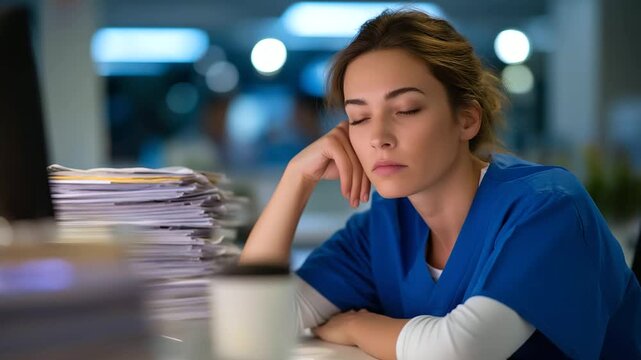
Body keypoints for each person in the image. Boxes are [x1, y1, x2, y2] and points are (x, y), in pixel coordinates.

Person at [239, 9, 641, 359]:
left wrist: (356, 326)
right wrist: (297, 178)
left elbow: (459, 350)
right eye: (358, 117)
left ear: (467, 119)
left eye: (407, 109)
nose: (378, 136)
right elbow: (252, 322)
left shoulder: (547, 206)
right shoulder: (383, 227)